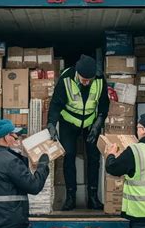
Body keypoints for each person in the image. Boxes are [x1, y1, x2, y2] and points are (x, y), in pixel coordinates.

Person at [47, 54, 110, 210]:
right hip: (69, 122)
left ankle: (93, 198)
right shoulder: (66, 78)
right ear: (77, 73)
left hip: (89, 123)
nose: (87, 82)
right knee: (68, 156)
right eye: (84, 79)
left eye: (90, 79)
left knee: (94, 157)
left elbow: (103, 105)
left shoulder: (100, 80)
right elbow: (56, 104)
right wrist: (52, 124)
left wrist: (98, 123)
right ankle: (70, 198)